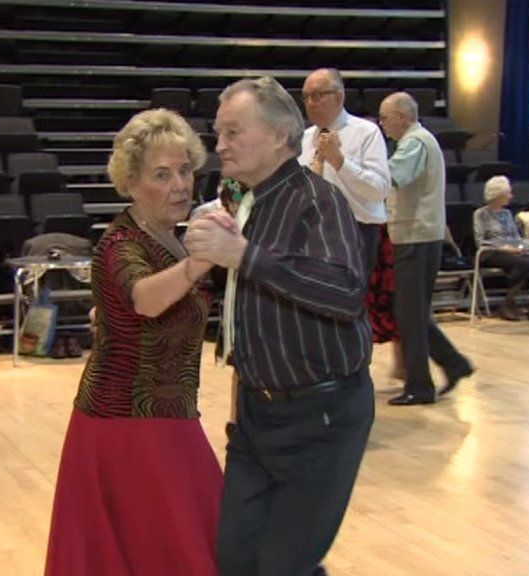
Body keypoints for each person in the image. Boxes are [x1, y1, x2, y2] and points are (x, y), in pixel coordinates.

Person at [184, 77, 374, 576]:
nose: (219, 144)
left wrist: (246, 258)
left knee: (280, 566)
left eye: (232, 132)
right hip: (256, 419)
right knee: (236, 560)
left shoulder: (317, 201)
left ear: (278, 135)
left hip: (321, 418)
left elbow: (344, 292)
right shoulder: (248, 203)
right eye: (218, 132)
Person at [44, 109, 222, 575]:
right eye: (162, 175)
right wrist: (203, 261)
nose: (180, 184)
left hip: (167, 418)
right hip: (126, 426)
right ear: (132, 183)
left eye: (185, 171)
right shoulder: (119, 242)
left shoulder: (169, 236)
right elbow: (144, 298)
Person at [297, 68, 398, 378]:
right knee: (314, 310)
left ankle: (353, 378)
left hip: (355, 232)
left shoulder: (365, 133)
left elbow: (379, 188)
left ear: (338, 96)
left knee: (348, 310)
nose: (311, 103)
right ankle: (321, 377)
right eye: (306, 97)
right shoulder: (304, 138)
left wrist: (340, 162)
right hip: (313, 233)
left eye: (318, 96)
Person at [378, 92, 473, 405]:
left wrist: (356, 167)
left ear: (402, 117)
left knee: (409, 316)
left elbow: (395, 176)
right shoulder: (417, 140)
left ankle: (420, 386)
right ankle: (454, 363)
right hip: (415, 238)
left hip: (417, 238)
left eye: (385, 117)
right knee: (411, 313)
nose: (382, 124)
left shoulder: (414, 143)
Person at [472, 175, 529, 321]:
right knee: (523, 264)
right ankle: (508, 305)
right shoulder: (480, 214)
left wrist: (521, 246)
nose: (511, 196)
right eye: (508, 193)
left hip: (512, 252)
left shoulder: (507, 214)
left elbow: (516, 237)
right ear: (498, 195)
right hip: (490, 253)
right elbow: (481, 241)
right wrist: (504, 248)